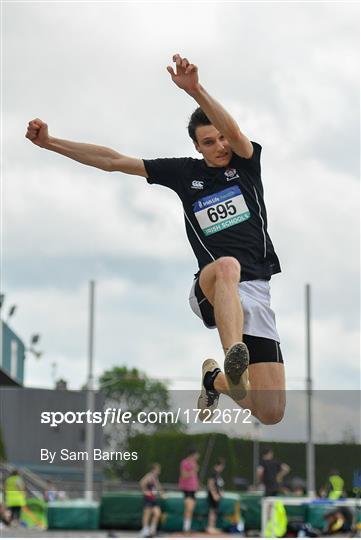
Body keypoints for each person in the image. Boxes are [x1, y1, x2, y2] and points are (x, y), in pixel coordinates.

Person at [25, 53, 285, 425]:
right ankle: (234, 358)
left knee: (271, 412)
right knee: (228, 266)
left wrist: (196, 91)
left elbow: (238, 134)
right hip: (212, 287)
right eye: (209, 142)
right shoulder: (184, 173)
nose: (221, 147)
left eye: (223, 138)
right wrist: (51, 143)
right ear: (197, 147)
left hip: (257, 294)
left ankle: (217, 380)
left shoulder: (245, 163)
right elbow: (114, 161)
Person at [139, 463, 164, 537]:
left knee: (157, 513)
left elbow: (158, 487)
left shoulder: (155, 478)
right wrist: (146, 492)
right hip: (148, 499)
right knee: (147, 513)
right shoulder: (149, 476)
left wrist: (162, 494)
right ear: (154, 469)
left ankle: (152, 530)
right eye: (158, 469)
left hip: (154, 498)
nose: (159, 470)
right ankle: (145, 530)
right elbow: (142, 483)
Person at [179, 449, 199, 532]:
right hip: (187, 489)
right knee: (189, 508)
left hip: (193, 489)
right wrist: (192, 471)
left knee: (191, 509)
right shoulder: (185, 462)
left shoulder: (194, 463)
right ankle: (186, 528)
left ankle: (188, 526)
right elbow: (184, 475)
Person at [206, 458, 225, 534]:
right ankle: (210, 527)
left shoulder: (218, 474)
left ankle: (212, 527)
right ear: (219, 466)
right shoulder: (213, 473)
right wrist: (214, 494)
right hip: (213, 495)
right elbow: (210, 483)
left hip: (217, 495)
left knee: (215, 511)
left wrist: (220, 492)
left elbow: (219, 485)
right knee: (212, 511)